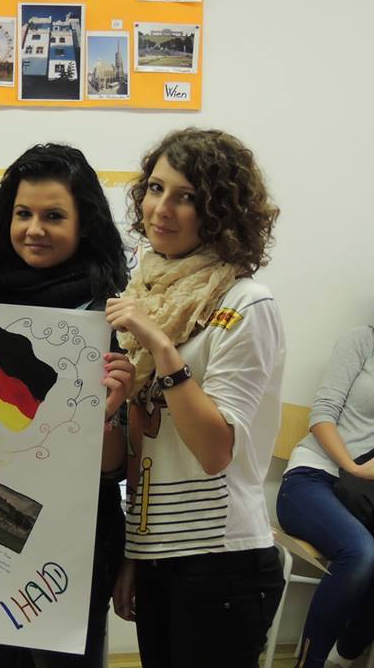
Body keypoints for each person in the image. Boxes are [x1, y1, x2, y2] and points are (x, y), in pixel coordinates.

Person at [107, 128, 285, 668]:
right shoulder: (145, 294)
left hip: (222, 556)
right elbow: (142, 448)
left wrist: (161, 346)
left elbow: (214, 450)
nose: (162, 208)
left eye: (185, 197)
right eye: (155, 188)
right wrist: (134, 553)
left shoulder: (246, 303)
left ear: (220, 211)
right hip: (157, 551)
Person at [0, 144, 134, 668]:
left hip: (74, 536)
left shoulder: (111, 312)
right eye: (22, 213)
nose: (33, 229)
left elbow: (114, 468)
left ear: (84, 224)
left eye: (53, 216)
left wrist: (105, 414)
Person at [276, 264, 374, 668]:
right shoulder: (363, 342)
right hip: (316, 478)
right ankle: (308, 663)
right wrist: (354, 466)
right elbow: (322, 414)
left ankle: (339, 657)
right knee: (359, 553)